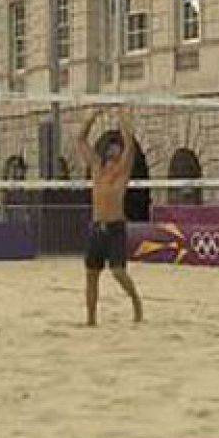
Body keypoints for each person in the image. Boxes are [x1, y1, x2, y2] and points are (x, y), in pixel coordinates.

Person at [76, 109, 144, 327]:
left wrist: (122, 119)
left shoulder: (121, 173)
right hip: (97, 228)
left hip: (115, 227)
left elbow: (130, 147)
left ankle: (136, 301)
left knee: (118, 271)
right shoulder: (97, 169)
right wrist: (91, 118)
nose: (115, 154)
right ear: (106, 156)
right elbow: (80, 140)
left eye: (117, 152)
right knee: (91, 274)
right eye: (112, 152)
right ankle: (91, 319)